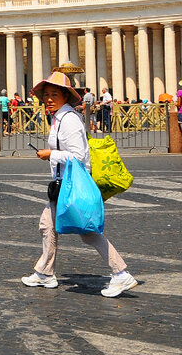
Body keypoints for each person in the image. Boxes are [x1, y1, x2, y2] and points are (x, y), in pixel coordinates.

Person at [22, 71, 138, 297]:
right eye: (46, 94)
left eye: (54, 94)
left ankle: (121, 273)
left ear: (65, 96)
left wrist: (51, 154)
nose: (49, 98)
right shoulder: (58, 118)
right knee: (47, 226)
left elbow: (78, 155)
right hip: (62, 184)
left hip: (72, 185)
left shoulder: (69, 121)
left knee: (88, 232)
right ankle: (45, 273)